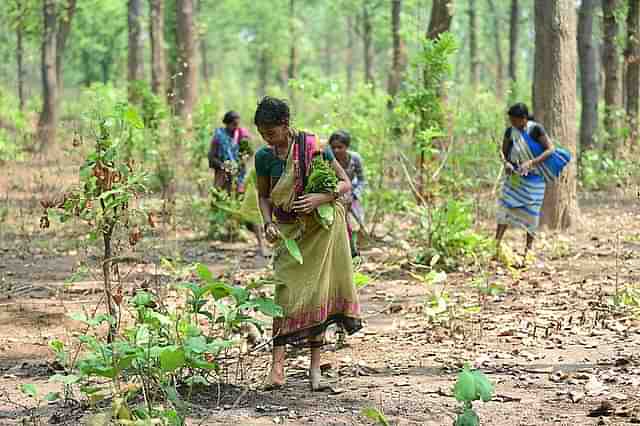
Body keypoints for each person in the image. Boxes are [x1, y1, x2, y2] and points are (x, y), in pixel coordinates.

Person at [253, 96, 362, 391]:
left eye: (272, 133)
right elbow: (263, 196)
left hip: (320, 230)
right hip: (288, 233)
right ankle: (277, 370)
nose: (268, 140)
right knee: (285, 296)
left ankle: (315, 371)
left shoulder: (312, 149)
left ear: (286, 125)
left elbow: (344, 184)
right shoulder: (264, 157)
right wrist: (268, 223)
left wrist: (321, 198)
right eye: (263, 134)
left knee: (318, 296)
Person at [496, 103, 555, 261]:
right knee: (505, 209)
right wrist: (507, 164)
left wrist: (532, 162)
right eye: (511, 120)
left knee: (532, 214)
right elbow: (503, 153)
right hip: (514, 178)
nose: (512, 124)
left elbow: (550, 149)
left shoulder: (536, 130)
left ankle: (528, 251)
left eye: (515, 120)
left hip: (534, 180)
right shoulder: (510, 132)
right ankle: (495, 246)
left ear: (523, 119)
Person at [328, 130, 366, 258]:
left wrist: (354, 195)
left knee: (354, 224)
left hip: (351, 194)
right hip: (334, 195)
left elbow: (362, 180)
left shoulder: (354, 159)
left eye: (340, 147)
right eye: (333, 147)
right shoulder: (328, 160)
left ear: (347, 147)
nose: (336, 150)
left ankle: (354, 251)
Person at [208, 111, 251, 194]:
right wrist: (224, 166)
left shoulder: (241, 136)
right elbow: (211, 158)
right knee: (220, 196)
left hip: (238, 175)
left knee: (237, 198)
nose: (236, 127)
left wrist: (241, 161)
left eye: (238, 124)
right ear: (227, 124)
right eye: (234, 124)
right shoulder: (219, 137)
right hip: (222, 174)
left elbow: (248, 153)